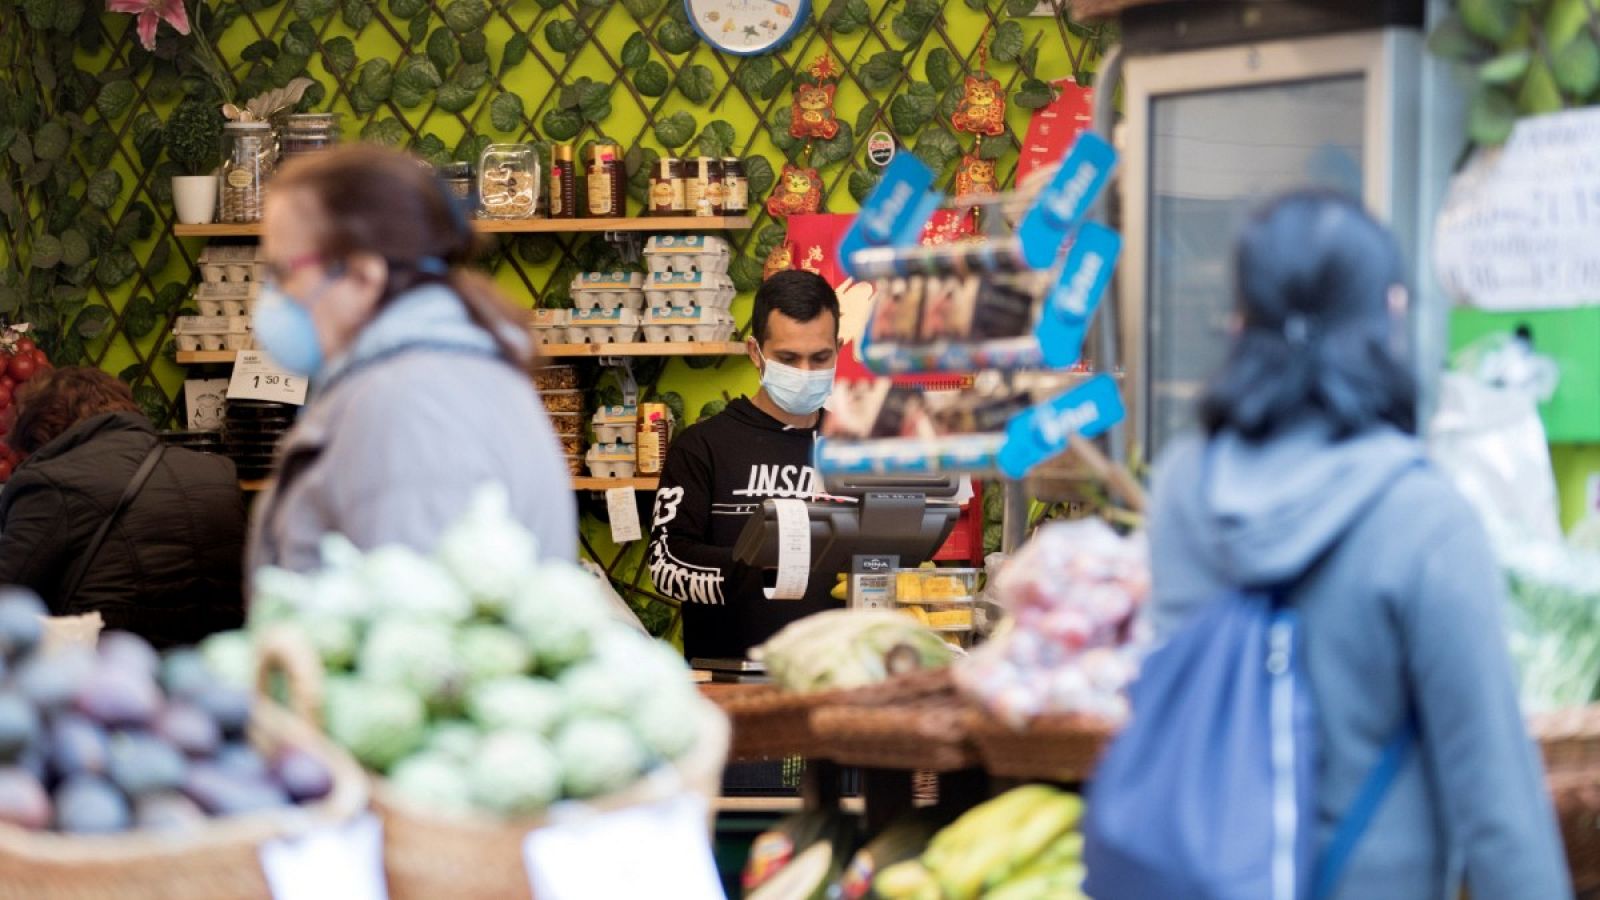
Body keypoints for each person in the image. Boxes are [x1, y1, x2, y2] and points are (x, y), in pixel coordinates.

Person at [1146, 192, 1570, 898]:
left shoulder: (1184, 487)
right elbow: (1499, 810)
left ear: (1240, 321)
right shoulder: (1423, 518)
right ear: (1391, 313)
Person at [247, 144, 576, 575]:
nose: (269, 294)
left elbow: (412, 606)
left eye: (282, 272)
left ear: (362, 276)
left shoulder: (408, 404)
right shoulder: (432, 377)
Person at [650, 270, 840, 660]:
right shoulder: (702, 447)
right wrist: (763, 564)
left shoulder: (858, 449)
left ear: (837, 349)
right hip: (731, 680)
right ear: (756, 353)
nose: (806, 372)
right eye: (788, 358)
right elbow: (665, 565)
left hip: (840, 677)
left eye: (820, 357)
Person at [0, 367, 245, 647]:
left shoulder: (50, 483)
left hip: (110, 662)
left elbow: (8, 594)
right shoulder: (218, 471)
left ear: (42, 430)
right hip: (220, 661)